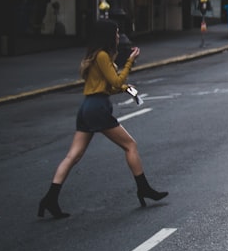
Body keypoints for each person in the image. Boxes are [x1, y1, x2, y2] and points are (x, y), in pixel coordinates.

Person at [37, 19, 167, 219]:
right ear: (108, 35)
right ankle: (144, 189)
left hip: (88, 107)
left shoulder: (95, 56)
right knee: (130, 145)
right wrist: (130, 62)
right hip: (97, 109)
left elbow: (112, 86)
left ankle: (50, 198)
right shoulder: (103, 55)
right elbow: (115, 80)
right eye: (115, 32)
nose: (117, 36)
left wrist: (126, 89)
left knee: (73, 156)